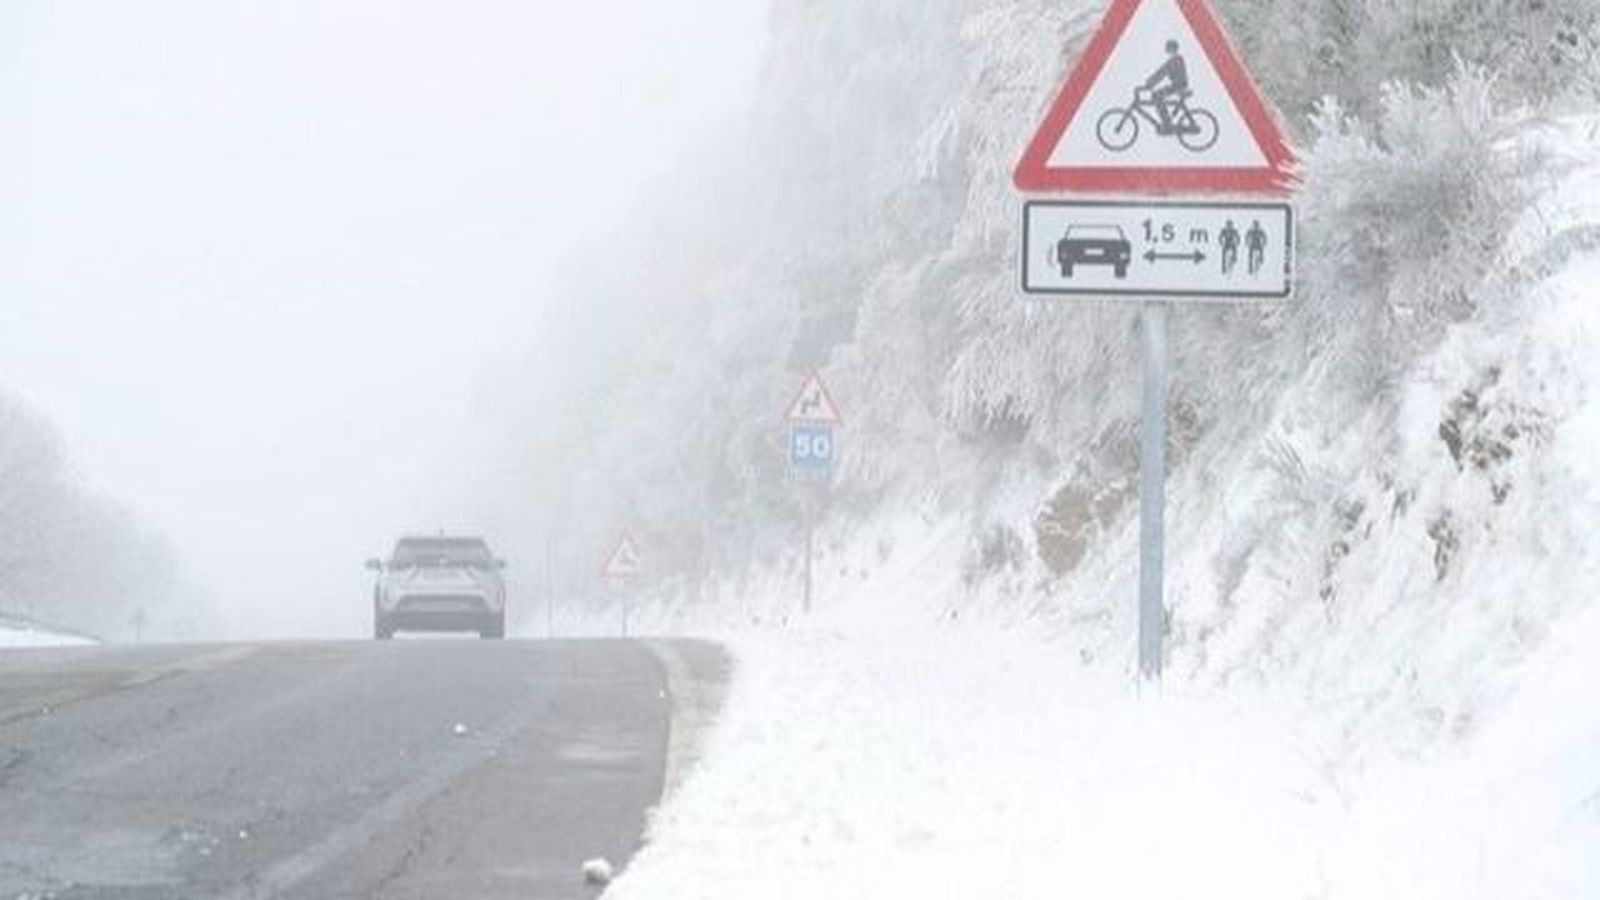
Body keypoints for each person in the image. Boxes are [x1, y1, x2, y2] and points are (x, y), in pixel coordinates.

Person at [1142, 40, 1189, 133]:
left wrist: (1150, 83)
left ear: (1172, 49)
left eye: (1168, 48)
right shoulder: (1176, 59)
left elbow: (1162, 72)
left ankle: (1167, 124)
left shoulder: (1175, 60)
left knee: (1157, 96)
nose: (1167, 50)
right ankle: (1167, 122)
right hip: (1177, 85)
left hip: (1178, 86)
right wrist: (1151, 82)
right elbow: (1162, 71)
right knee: (1157, 96)